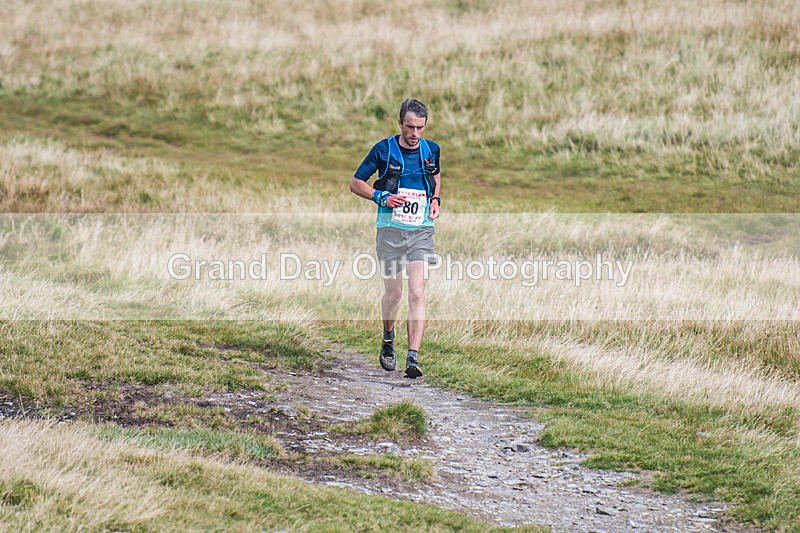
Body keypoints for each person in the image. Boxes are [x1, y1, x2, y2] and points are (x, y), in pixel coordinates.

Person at [349, 98, 442, 379]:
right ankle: (388, 338)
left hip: (421, 232)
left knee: (417, 293)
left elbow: (436, 174)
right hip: (389, 233)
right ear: (400, 123)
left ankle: (413, 357)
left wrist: (435, 199)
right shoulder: (383, 150)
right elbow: (355, 183)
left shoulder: (431, 150)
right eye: (410, 127)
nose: (415, 134)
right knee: (394, 294)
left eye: (420, 128)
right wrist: (382, 196)